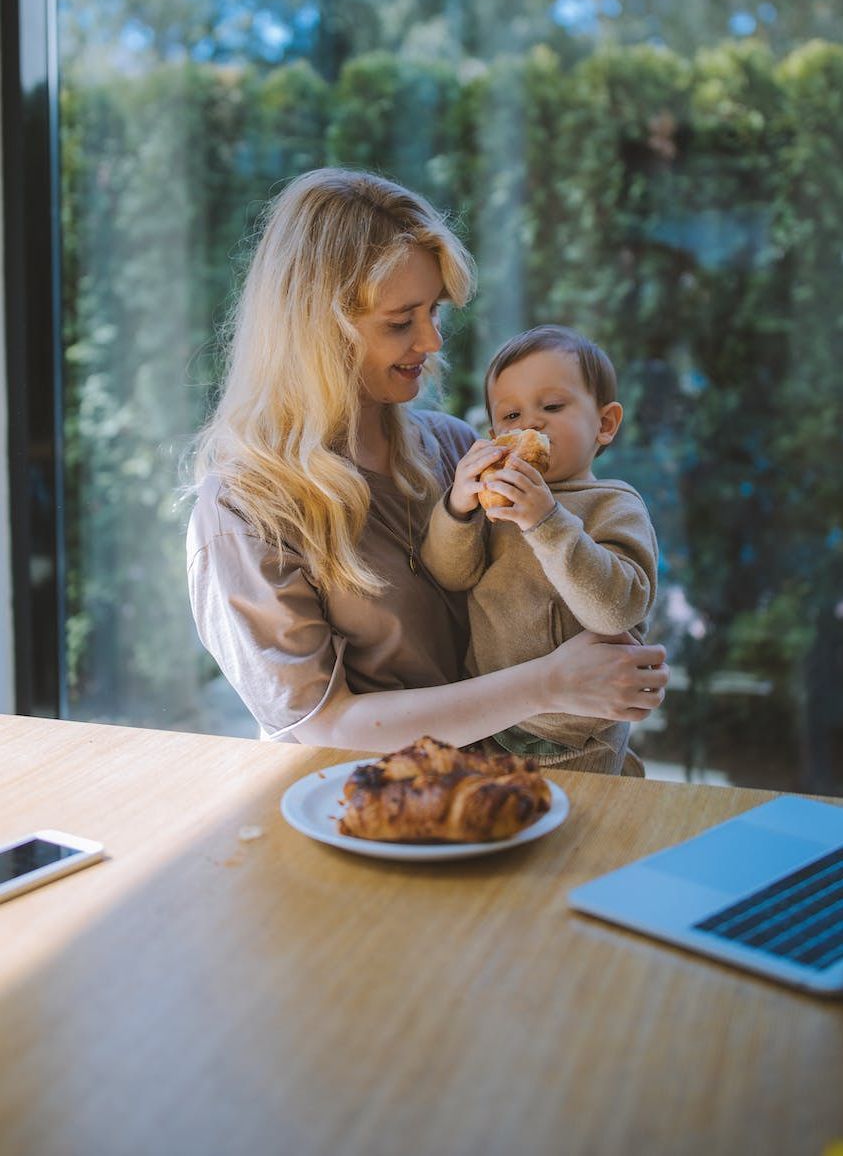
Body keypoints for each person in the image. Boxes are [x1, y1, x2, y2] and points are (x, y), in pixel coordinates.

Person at [186, 169, 668, 754]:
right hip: (375, 814)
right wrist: (549, 686)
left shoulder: (453, 446)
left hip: (520, 796)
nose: (434, 341)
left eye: (434, 311)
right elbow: (320, 725)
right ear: (316, 332)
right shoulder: (244, 509)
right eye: (400, 322)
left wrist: (608, 672)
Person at [420, 326, 658, 773]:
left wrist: (545, 522)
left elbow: (616, 611)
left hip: (579, 735)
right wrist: (457, 508)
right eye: (510, 416)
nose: (530, 423)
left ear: (604, 424)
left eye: (552, 406)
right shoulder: (496, 504)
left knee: (578, 835)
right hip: (488, 722)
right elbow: (450, 575)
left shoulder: (614, 504)